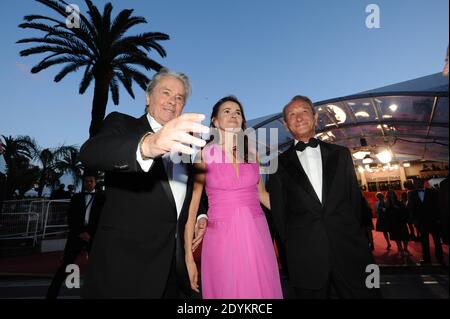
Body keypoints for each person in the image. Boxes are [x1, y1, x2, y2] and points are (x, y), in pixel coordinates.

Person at [79, 68, 210, 298]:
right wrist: (147, 146)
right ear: (148, 97)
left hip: (171, 271)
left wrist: (200, 215)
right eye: (166, 93)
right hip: (125, 269)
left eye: (179, 98)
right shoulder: (122, 124)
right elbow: (90, 152)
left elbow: (182, 194)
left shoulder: (187, 147)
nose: (172, 101)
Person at [268, 95, 378, 299]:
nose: (298, 117)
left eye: (303, 111)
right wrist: (295, 251)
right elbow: (280, 218)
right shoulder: (277, 165)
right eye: (292, 114)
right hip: (305, 258)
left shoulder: (342, 154)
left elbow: (354, 203)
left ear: (315, 117)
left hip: (350, 250)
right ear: (286, 125)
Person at [184, 96, 283, 299]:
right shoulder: (204, 155)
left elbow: (262, 195)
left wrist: (296, 211)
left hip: (257, 233)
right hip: (222, 236)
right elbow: (192, 208)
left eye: (238, 112)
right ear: (215, 121)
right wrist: (188, 258)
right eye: (227, 111)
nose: (233, 115)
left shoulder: (253, 154)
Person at [46, 173, 105, 299]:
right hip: (77, 235)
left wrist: (91, 234)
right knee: (65, 265)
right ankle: (51, 296)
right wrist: (80, 232)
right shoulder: (76, 198)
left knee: (100, 267)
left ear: (95, 183)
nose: (88, 183)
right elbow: (70, 217)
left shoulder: (102, 198)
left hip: (93, 236)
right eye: (86, 181)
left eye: (91, 181)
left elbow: (103, 219)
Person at [407, 179, 443, 265]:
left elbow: (437, 206)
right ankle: (426, 258)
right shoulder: (412, 194)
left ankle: (440, 257)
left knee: (437, 240)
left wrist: (438, 219)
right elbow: (412, 208)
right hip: (421, 222)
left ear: (423, 183)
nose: (416, 185)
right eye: (415, 184)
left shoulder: (432, 192)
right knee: (424, 241)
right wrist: (414, 219)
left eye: (418, 183)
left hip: (433, 220)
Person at [385, 190, 410, 258]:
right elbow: (387, 214)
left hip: (401, 221)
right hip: (393, 223)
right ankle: (401, 250)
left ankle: (405, 248)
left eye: (392, 194)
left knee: (405, 237)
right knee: (396, 237)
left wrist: (399, 209)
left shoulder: (399, 202)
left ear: (394, 195)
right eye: (389, 195)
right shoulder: (387, 204)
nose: (391, 196)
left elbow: (405, 211)